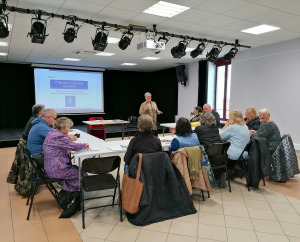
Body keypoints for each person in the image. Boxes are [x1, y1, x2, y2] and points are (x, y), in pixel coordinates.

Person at [43, 117, 89, 192]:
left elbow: (60, 146)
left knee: (76, 171)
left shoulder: (51, 133)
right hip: (56, 169)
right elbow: (73, 146)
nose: (69, 130)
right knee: (82, 173)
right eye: (68, 127)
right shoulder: (59, 136)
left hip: (50, 166)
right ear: (62, 128)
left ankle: (68, 192)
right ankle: (72, 193)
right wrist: (84, 145)